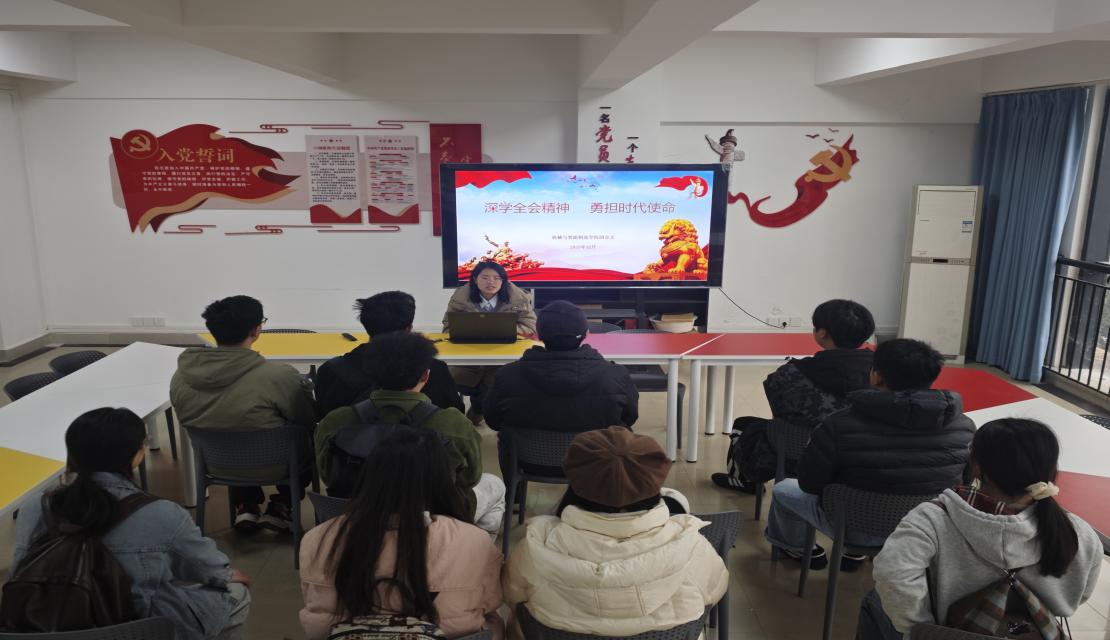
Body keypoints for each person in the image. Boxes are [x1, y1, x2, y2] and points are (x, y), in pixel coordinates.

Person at [11, 408, 250, 640]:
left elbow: (19, 569)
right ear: (136, 455)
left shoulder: (35, 507)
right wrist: (226, 575)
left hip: (42, 625)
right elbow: (208, 569)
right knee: (236, 592)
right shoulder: (161, 513)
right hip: (132, 630)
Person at [862, 419, 1103, 640]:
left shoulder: (933, 518)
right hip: (1033, 632)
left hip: (951, 632)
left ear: (977, 467)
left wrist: (924, 629)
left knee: (874, 602)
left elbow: (893, 575)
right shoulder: (1078, 532)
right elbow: (1079, 595)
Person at [765, 338, 974, 571]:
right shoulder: (964, 427)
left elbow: (810, 484)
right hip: (923, 528)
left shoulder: (839, 424)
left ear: (876, 376)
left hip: (854, 527)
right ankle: (854, 554)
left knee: (783, 489)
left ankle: (798, 548)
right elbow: (963, 484)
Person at [503, 427, 728, 637]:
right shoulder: (692, 547)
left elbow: (510, 595)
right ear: (653, 486)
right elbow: (715, 590)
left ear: (575, 486)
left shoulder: (534, 547)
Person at [300, 428, 504, 640]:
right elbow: (489, 602)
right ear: (441, 480)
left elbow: (315, 610)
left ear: (369, 477)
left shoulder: (317, 539)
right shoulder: (473, 541)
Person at [314, 332, 505, 535]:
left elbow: (328, 475)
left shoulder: (335, 422)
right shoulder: (454, 424)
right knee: (495, 485)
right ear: (425, 375)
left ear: (370, 373)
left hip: (359, 514)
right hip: (434, 516)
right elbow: (470, 478)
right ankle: (470, 548)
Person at [171, 295, 316, 533]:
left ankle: (245, 506)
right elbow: (307, 419)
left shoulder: (182, 377)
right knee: (306, 439)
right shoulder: (279, 376)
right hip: (278, 465)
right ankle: (281, 506)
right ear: (256, 330)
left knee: (228, 426)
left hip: (214, 464)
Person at [714, 299, 874, 493]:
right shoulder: (883, 374)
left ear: (822, 333)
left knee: (745, 425)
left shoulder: (790, 375)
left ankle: (743, 480)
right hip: (864, 457)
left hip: (801, 454)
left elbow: (780, 413)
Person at [484, 301, 638, 474]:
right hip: (597, 461)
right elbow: (629, 418)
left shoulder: (506, 375)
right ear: (586, 333)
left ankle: (516, 489)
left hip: (528, 462)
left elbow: (493, 420)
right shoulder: (616, 375)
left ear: (538, 335)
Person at [314, 291, 464, 416]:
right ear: (408, 328)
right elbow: (455, 412)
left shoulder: (331, 370)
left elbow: (323, 419)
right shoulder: (433, 369)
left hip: (350, 442)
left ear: (367, 326)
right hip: (424, 442)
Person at [443, 261, 537, 425]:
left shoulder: (518, 297)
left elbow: (530, 326)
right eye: (485, 277)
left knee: (497, 381)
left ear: (503, 281)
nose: (491, 282)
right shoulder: (460, 298)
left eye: (496, 278)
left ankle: (477, 411)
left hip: (503, 355)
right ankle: (475, 411)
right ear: (475, 279)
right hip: (469, 355)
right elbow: (448, 328)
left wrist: (501, 329)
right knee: (456, 381)